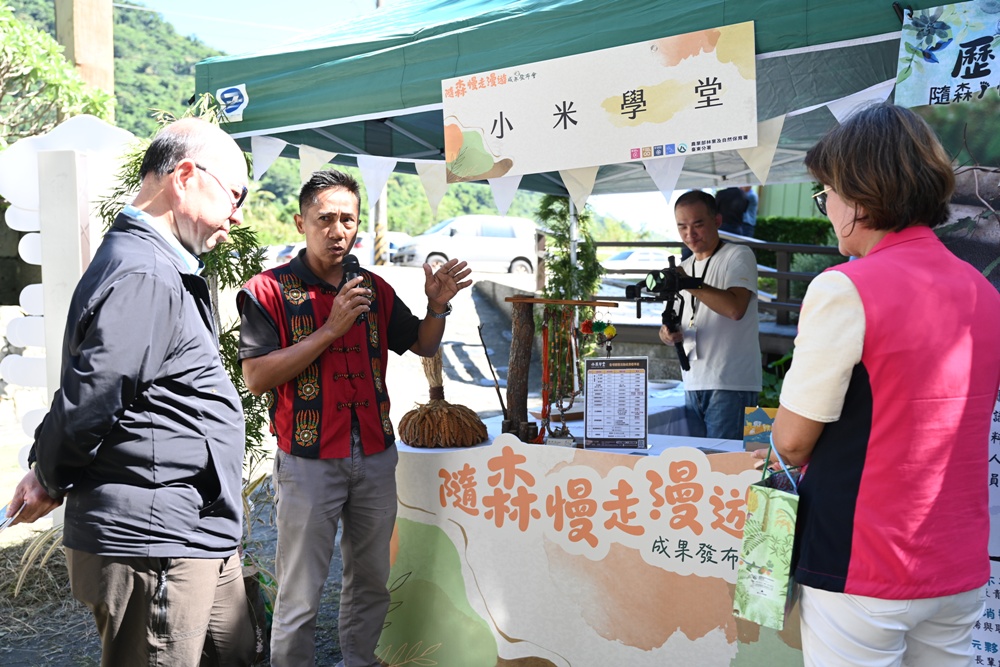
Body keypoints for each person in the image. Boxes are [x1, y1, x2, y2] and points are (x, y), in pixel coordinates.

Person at [4, 118, 254, 666]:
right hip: (153, 535)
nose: (239, 215)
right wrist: (48, 475)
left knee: (232, 652)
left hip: (192, 526)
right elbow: (94, 396)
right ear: (185, 176)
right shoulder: (145, 271)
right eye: (235, 195)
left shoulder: (156, 263)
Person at [761, 103, 1000, 666]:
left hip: (863, 558)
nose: (826, 210)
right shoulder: (983, 292)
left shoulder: (845, 288)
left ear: (860, 200)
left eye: (827, 195)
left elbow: (793, 440)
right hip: (957, 562)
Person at [237, 169, 472, 667]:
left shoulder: (374, 288)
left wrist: (437, 306)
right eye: (324, 218)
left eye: (347, 219)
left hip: (375, 455)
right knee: (300, 593)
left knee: (370, 581)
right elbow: (256, 377)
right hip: (308, 461)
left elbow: (422, 344)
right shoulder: (267, 291)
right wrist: (330, 329)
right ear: (301, 222)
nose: (336, 229)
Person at [659, 190, 761, 440]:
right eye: (682, 227)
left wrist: (689, 283)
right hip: (693, 380)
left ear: (717, 221)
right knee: (698, 466)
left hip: (731, 383)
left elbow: (735, 309)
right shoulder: (683, 268)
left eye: (698, 225)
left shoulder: (738, 255)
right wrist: (666, 334)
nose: (689, 234)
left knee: (723, 466)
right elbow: (672, 323)